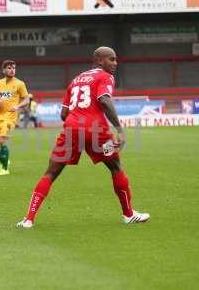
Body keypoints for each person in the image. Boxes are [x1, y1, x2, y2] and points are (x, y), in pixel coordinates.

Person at [17, 47, 150, 228]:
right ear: (99, 61)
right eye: (112, 59)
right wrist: (119, 128)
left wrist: (77, 122)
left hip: (71, 129)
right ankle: (128, 214)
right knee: (115, 167)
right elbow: (104, 99)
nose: (115, 63)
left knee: (51, 172)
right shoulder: (105, 76)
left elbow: (63, 113)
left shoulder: (76, 80)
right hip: (97, 131)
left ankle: (28, 219)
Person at [0, 60, 30, 175]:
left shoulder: (20, 84)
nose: (12, 70)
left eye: (14, 68)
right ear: (3, 70)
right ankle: (3, 158)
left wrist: (17, 106)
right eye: (9, 68)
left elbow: (27, 99)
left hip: (10, 117)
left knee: (2, 141)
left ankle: (4, 168)